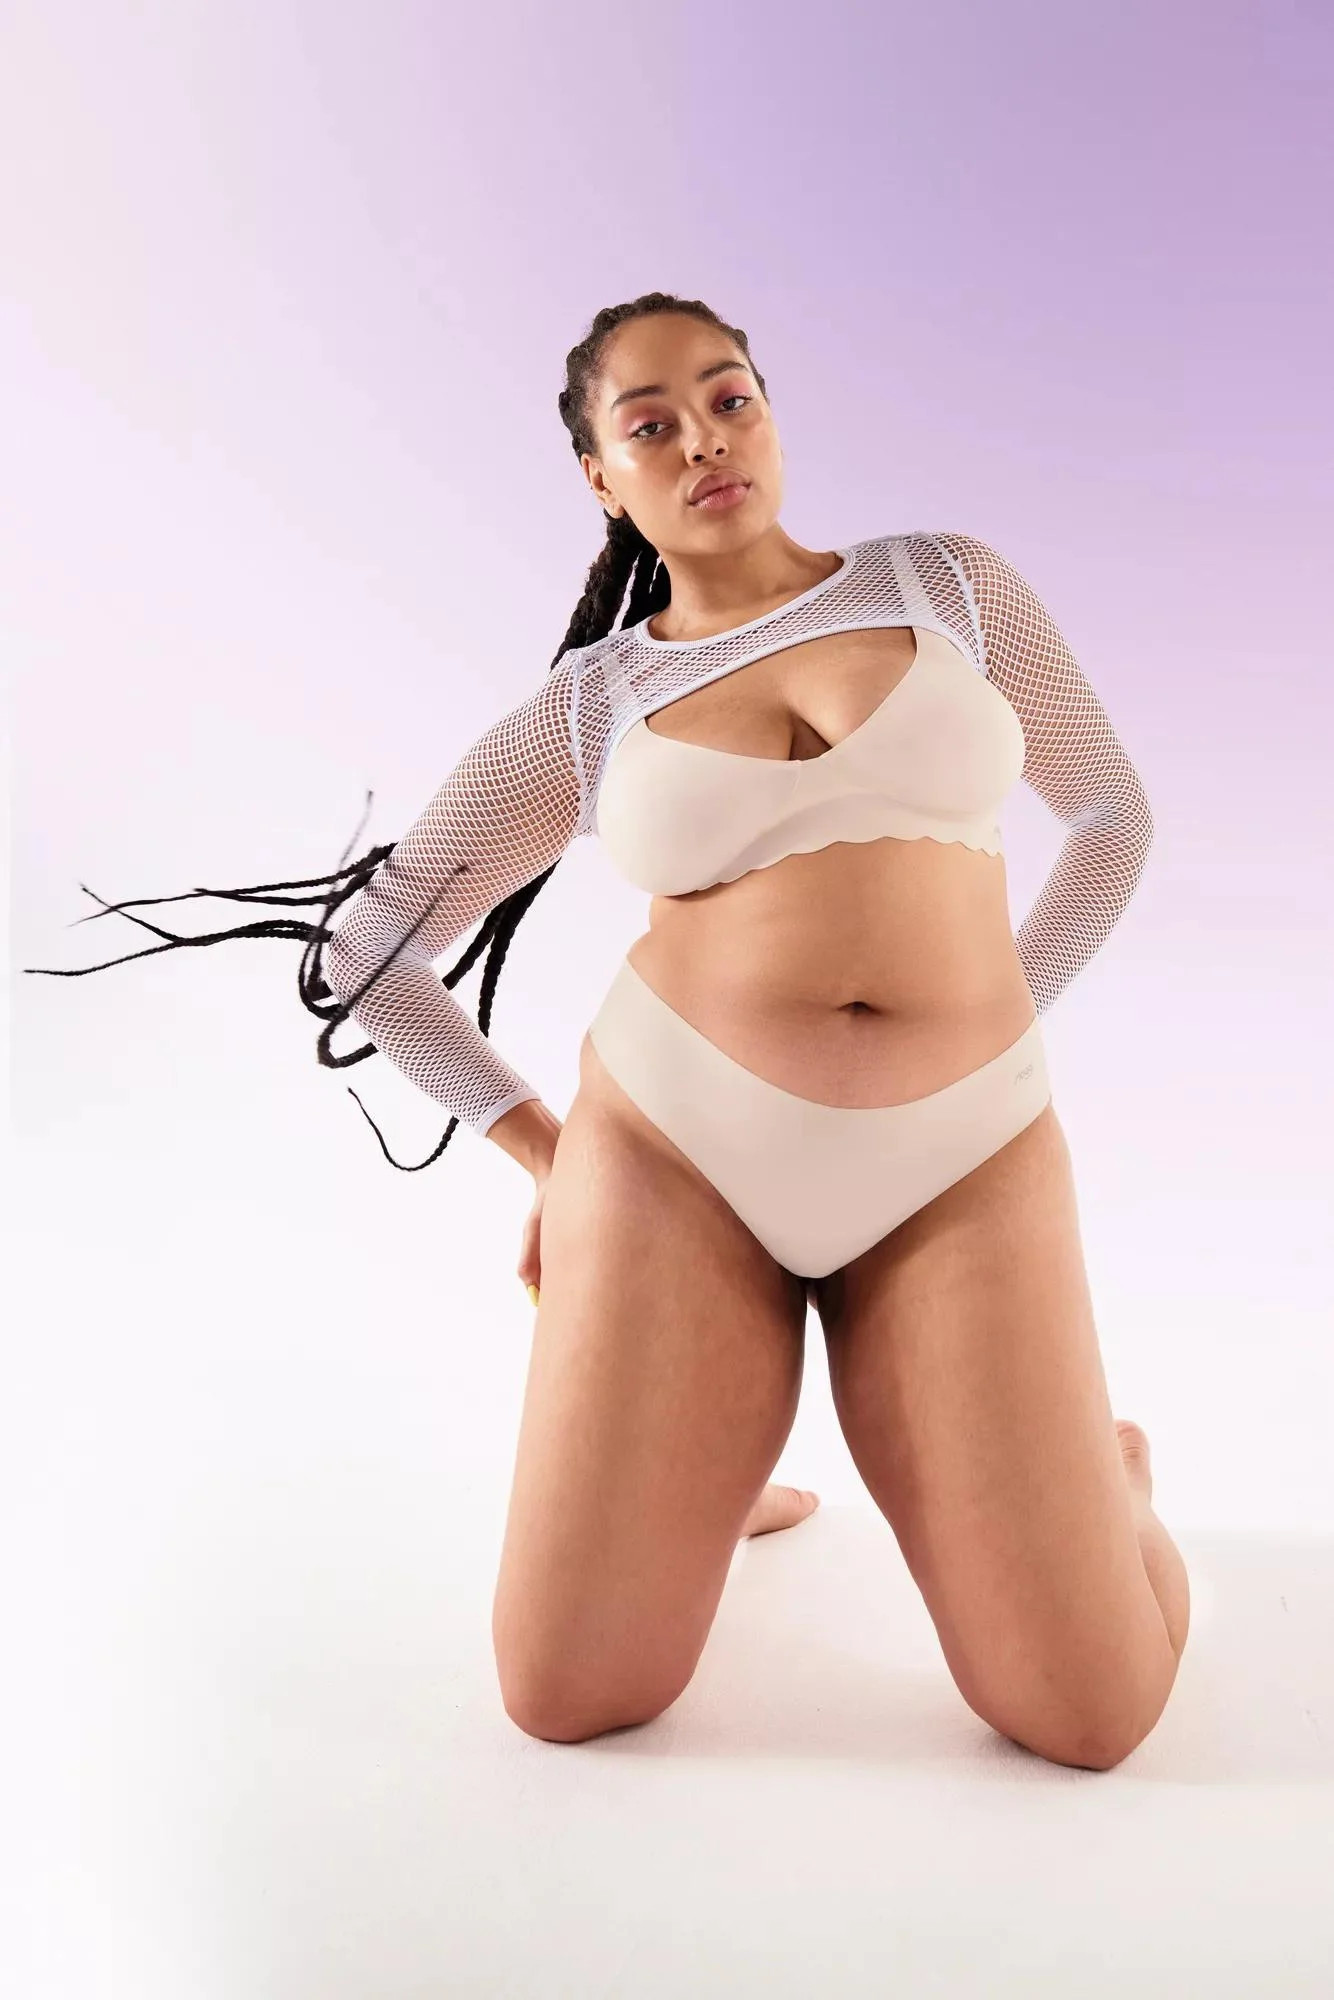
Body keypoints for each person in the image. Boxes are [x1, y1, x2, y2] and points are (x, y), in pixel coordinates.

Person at [27, 290, 1190, 1765]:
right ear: (601, 475)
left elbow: (1110, 812)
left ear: (769, 411)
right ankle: (706, 1483)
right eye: (651, 425)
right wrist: (546, 1152)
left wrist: (996, 1026)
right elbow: (367, 948)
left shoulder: (944, 584)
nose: (703, 439)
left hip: (964, 1153)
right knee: (568, 1696)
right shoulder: (595, 703)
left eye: (729, 397)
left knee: (1089, 1715)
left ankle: (1108, 1480)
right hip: (677, 1161)